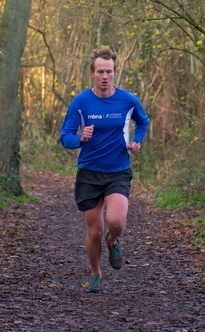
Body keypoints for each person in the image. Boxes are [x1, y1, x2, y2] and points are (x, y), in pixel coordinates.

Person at [60, 48, 150, 293]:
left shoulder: (128, 100)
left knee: (116, 222)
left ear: (114, 73)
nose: (105, 76)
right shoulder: (80, 102)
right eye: (100, 71)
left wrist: (137, 141)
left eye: (109, 71)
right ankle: (95, 273)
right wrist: (80, 139)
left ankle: (114, 240)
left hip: (118, 170)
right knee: (95, 231)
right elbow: (64, 137)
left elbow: (143, 121)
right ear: (92, 73)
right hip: (89, 172)